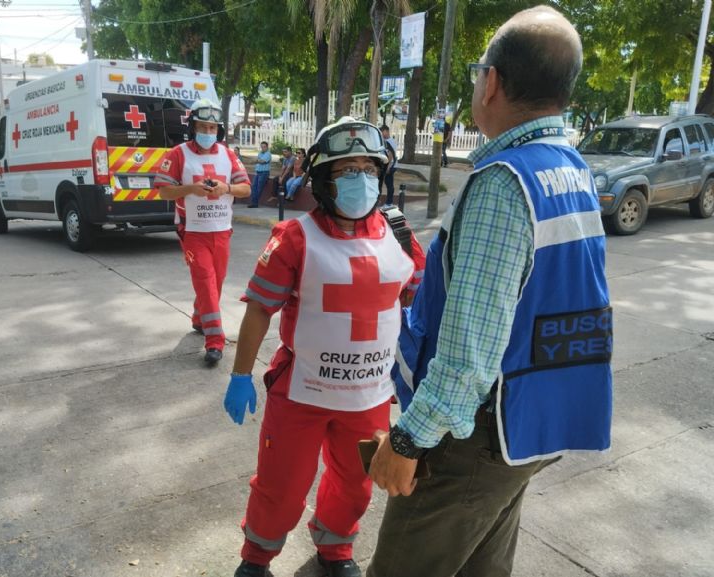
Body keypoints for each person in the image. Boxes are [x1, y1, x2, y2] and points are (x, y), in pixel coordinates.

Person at [367, 6, 613, 577]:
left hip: (474, 435)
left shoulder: (505, 183)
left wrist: (408, 442)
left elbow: (470, 349)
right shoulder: (570, 169)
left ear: (493, 81)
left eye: (479, 72)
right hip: (533, 422)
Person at [223, 116, 426, 577]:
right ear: (322, 180)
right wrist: (240, 375)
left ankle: (335, 549)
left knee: (355, 485)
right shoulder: (294, 238)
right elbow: (259, 308)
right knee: (281, 485)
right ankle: (257, 558)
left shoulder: (400, 235)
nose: (360, 179)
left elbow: (416, 302)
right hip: (301, 395)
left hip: (370, 396)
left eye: (368, 169)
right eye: (345, 170)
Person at [154, 99, 251, 367]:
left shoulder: (228, 155)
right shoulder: (178, 154)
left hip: (222, 231)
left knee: (216, 283)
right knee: (206, 282)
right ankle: (215, 341)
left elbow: (246, 189)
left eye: (212, 127)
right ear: (192, 127)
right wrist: (190, 189)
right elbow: (163, 190)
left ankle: (199, 318)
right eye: (202, 126)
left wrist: (226, 188)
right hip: (192, 231)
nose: (207, 132)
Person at [250, 141, 271, 208]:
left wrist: (257, 160)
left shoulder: (268, 154)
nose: (263, 148)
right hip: (258, 172)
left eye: (264, 147)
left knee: (259, 188)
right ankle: (253, 202)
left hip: (264, 173)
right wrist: (258, 160)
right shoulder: (260, 153)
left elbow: (262, 161)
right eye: (261, 147)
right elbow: (258, 161)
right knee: (254, 187)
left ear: (267, 147)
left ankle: (255, 203)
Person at [380, 125, 397, 205]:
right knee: (387, 183)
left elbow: (390, 155)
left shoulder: (389, 141)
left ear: (386, 131)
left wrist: (388, 167)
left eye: (382, 132)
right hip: (389, 166)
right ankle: (388, 202)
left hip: (390, 166)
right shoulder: (387, 141)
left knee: (389, 184)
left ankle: (389, 202)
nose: (381, 134)